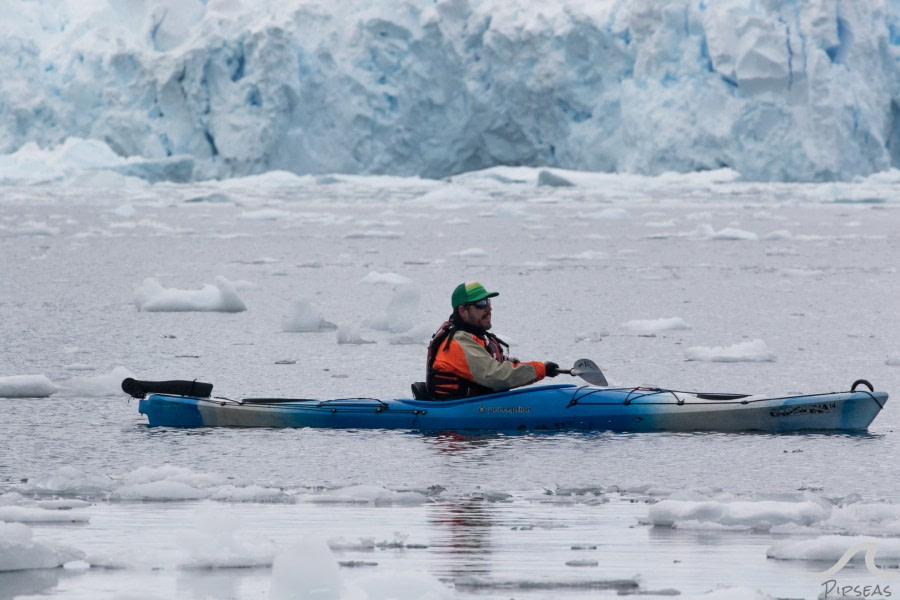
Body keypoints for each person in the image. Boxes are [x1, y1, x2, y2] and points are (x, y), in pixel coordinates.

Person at [416, 282, 559, 400]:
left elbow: (488, 366)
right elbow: (497, 376)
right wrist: (541, 369)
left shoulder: (474, 337)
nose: (488, 308)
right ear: (462, 311)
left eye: (488, 302)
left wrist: (513, 364)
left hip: (476, 409)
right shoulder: (457, 343)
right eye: (480, 303)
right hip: (458, 421)